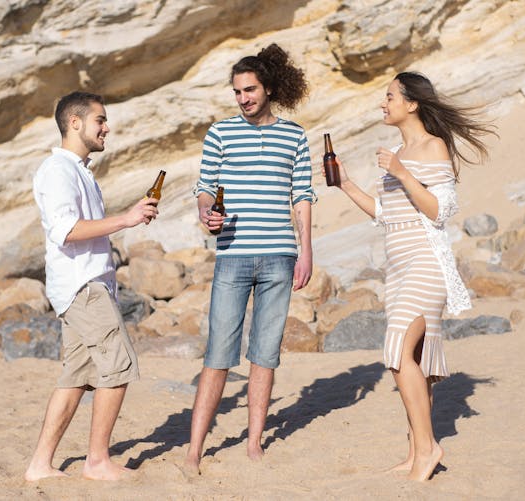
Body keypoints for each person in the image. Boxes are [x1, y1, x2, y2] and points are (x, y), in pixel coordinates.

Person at [328, 72, 495, 481]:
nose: (383, 104)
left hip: (425, 263)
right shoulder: (401, 151)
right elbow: (388, 215)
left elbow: (440, 210)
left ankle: (428, 448)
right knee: (413, 360)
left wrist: (402, 172)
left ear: (412, 103)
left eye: (389, 97)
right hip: (397, 267)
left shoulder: (432, 147)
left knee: (398, 352)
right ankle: (414, 451)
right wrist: (346, 183)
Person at [184, 43, 317, 474]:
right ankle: (194, 449)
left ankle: (254, 442)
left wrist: (307, 250)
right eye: (238, 91)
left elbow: (302, 196)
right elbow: (205, 187)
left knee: (265, 353)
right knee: (218, 354)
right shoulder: (220, 133)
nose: (243, 98)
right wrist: (207, 213)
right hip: (232, 255)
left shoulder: (295, 135)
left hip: (280, 254)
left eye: (251, 90)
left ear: (268, 88)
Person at [25, 91, 159, 481]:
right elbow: (67, 231)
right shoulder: (58, 171)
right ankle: (97, 461)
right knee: (118, 367)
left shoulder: (79, 172)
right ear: (75, 123)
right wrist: (127, 219)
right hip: (82, 287)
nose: (107, 127)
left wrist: (126, 218)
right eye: (100, 120)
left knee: (76, 378)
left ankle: (39, 465)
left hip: (85, 285)